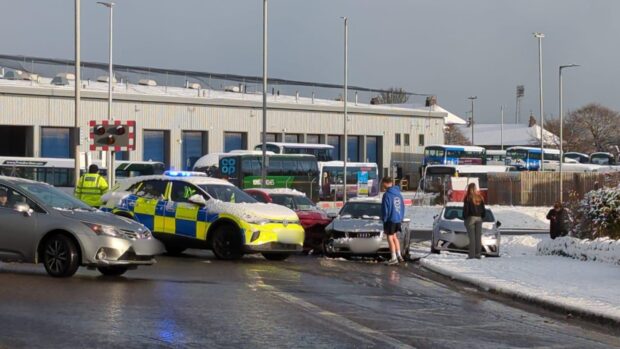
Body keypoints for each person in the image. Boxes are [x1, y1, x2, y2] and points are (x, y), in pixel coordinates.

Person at [381, 176, 406, 265]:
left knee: (390, 237)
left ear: (385, 183)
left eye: (382, 183)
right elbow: (402, 207)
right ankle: (399, 256)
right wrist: (401, 217)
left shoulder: (387, 195)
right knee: (395, 237)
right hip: (398, 219)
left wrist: (384, 218)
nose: (382, 186)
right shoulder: (398, 194)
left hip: (390, 219)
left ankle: (393, 257)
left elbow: (385, 209)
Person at [463, 182, 486, 259]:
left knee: (472, 238)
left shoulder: (468, 198)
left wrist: (465, 217)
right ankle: (478, 254)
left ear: (469, 189)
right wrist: (482, 216)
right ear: (475, 189)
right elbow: (483, 209)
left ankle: (472, 255)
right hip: (479, 218)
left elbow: (466, 210)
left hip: (471, 218)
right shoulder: (480, 197)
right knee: (478, 237)